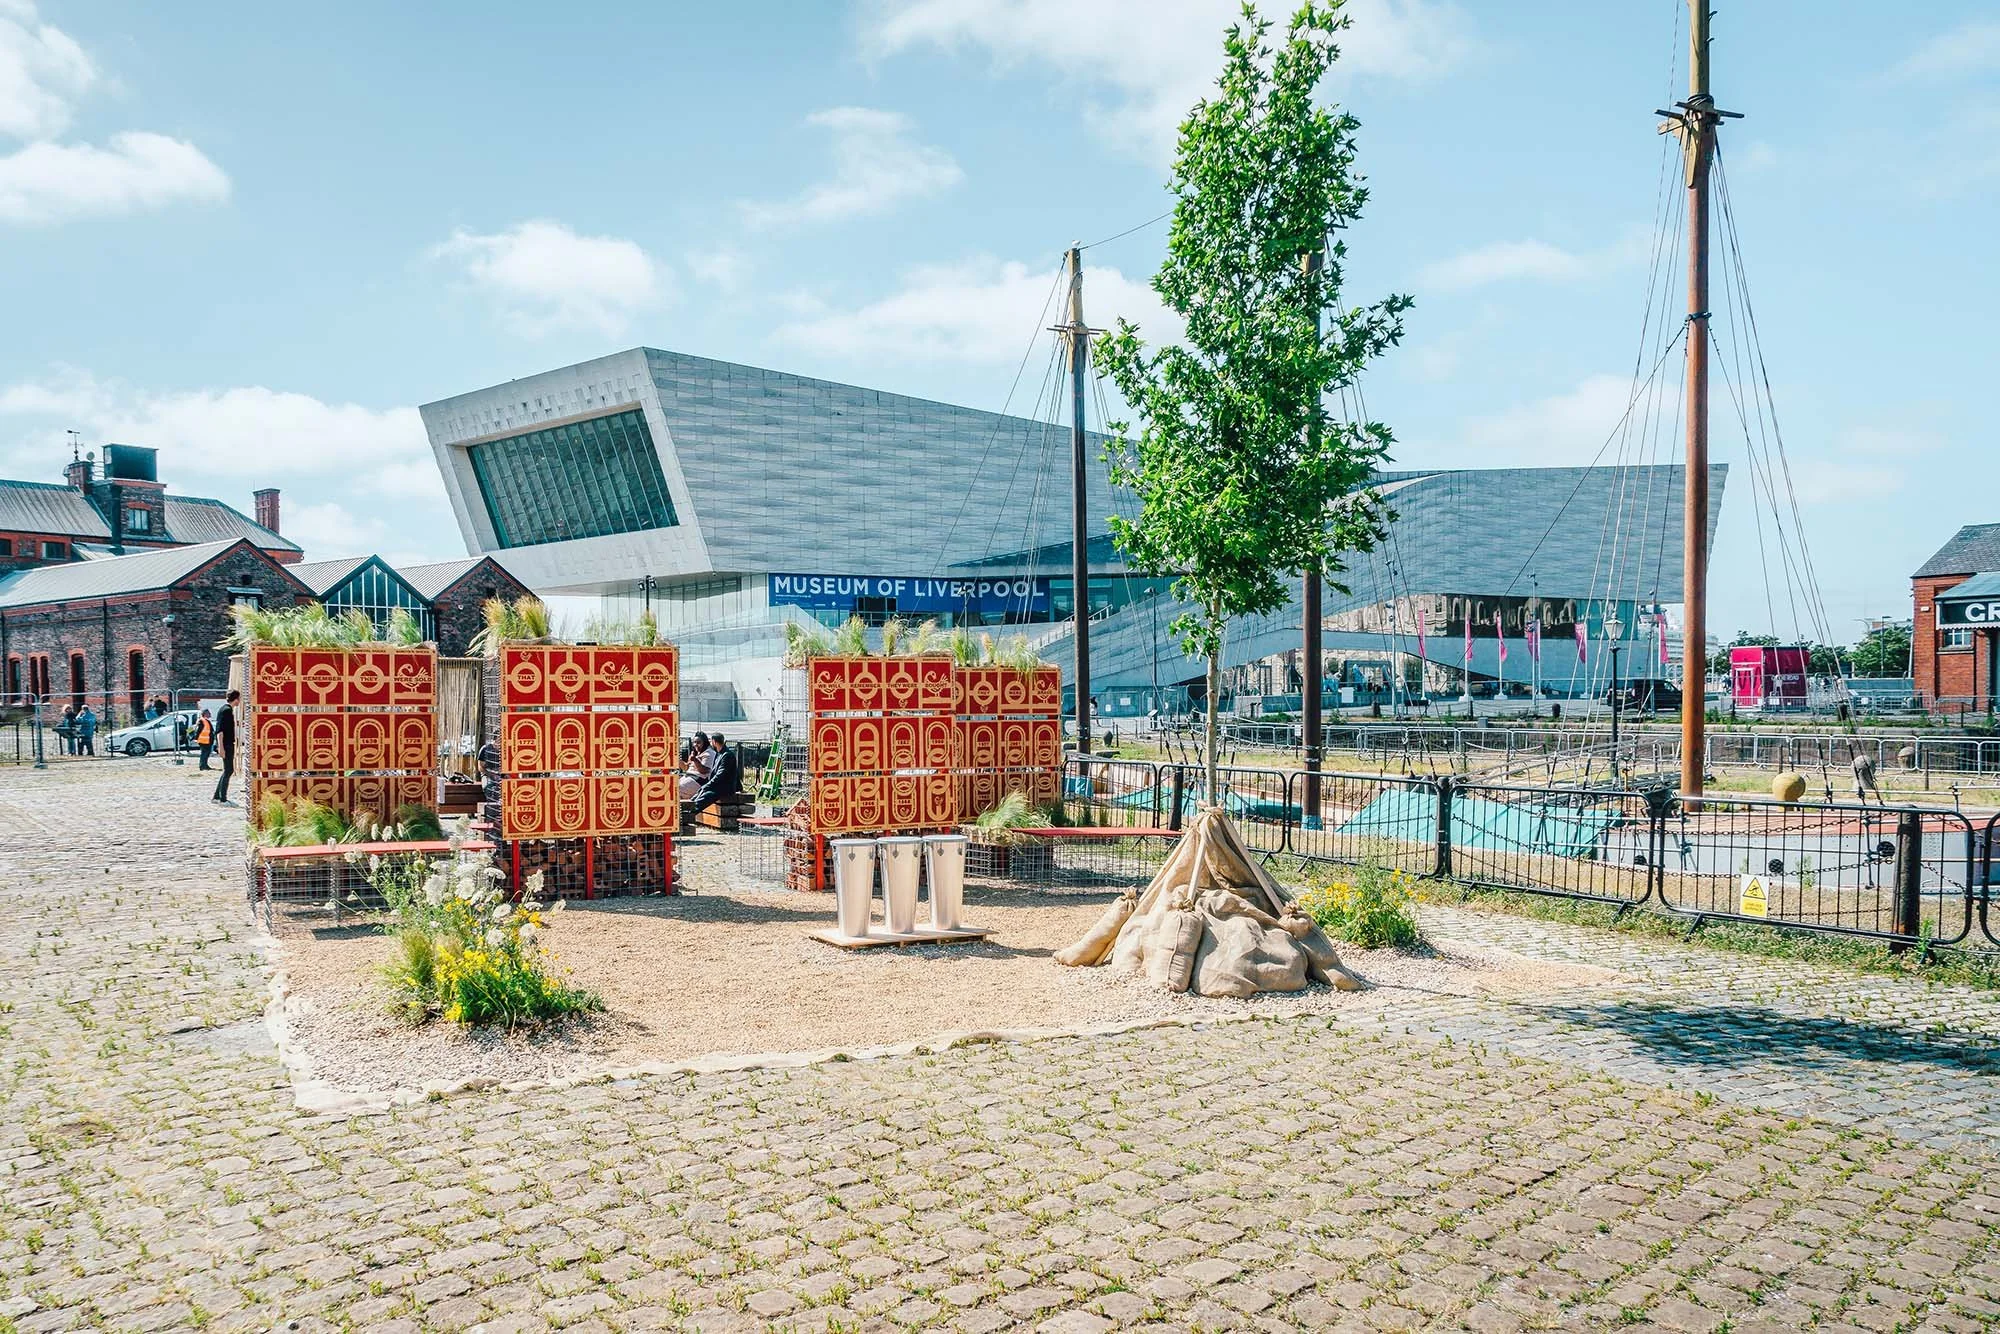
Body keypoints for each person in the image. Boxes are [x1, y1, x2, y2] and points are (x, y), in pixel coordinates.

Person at [688, 731, 741, 816]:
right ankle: (688, 809)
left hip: (724, 788)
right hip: (718, 786)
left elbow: (720, 775)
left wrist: (708, 785)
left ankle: (689, 814)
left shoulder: (727, 755)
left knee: (706, 796)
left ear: (714, 742)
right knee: (700, 792)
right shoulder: (720, 754)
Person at [211, 690, 238, 804]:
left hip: (226, 744)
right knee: (229, 770)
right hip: (226, 744)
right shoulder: (226, 711)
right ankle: (223, 798)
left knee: (227, 770)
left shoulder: (225, 709)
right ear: (236, 699)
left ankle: (217, 797)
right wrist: (221, 747)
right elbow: (220, 731)